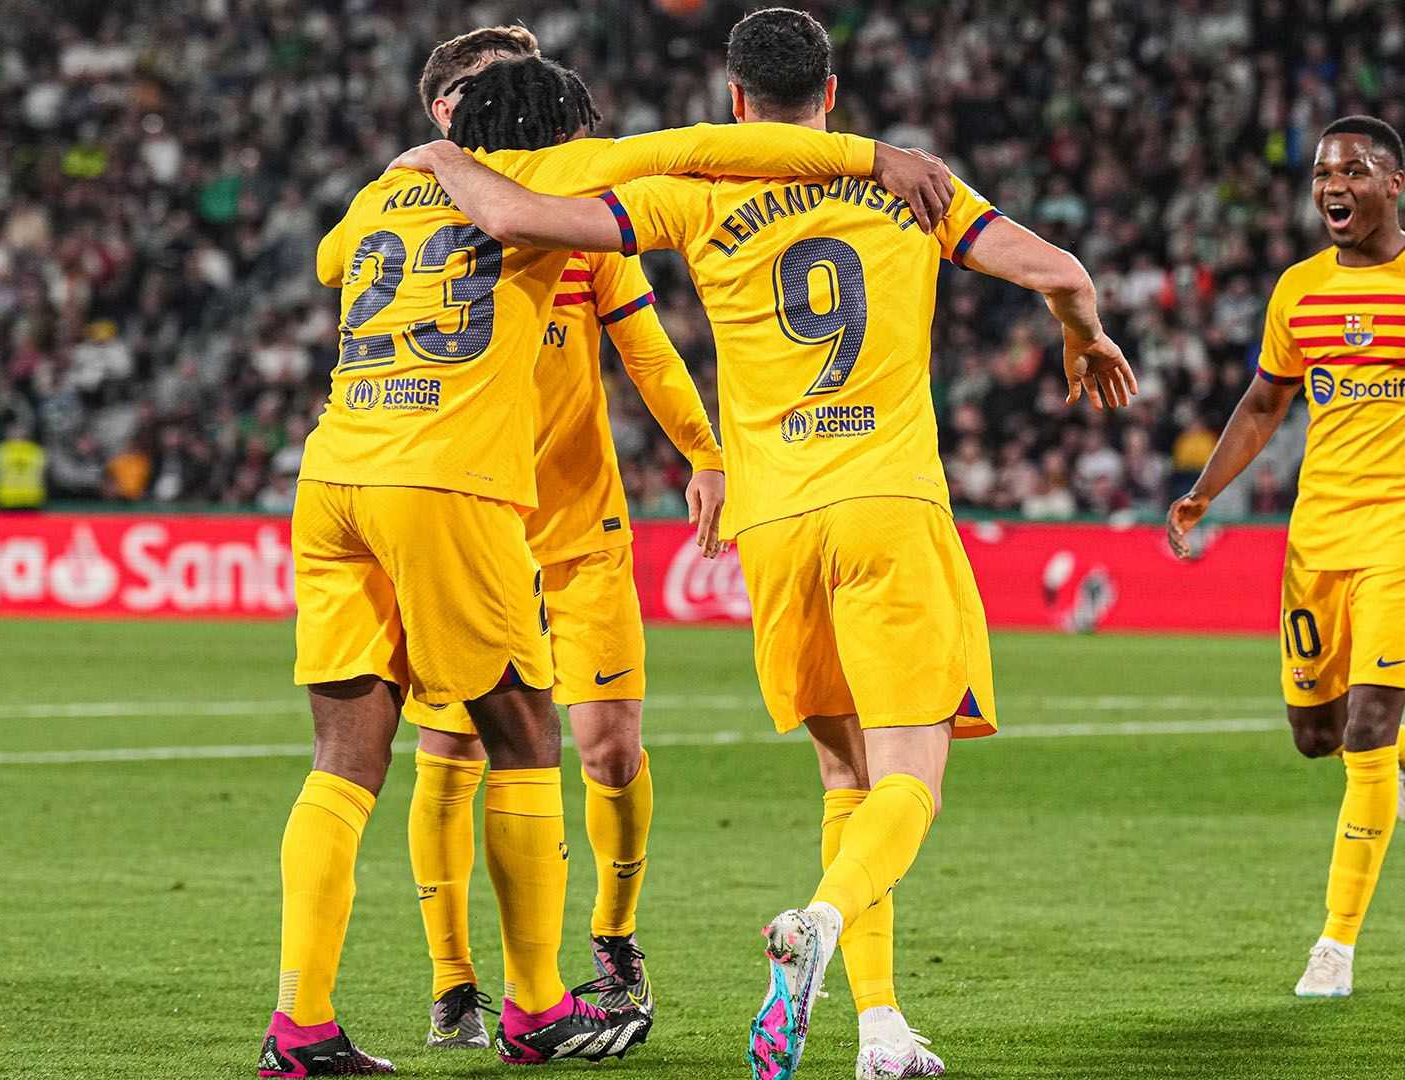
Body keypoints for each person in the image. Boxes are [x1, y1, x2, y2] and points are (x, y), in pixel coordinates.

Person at [389, 10, 1136, 1078]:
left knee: (844, 776)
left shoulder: (693, 197)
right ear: (829, 95)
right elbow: (1060, 270)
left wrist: (438, 157)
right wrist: (1083, 333)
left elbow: (519, 209)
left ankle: (880, 1027)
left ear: (736, 101)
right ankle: (820, 920)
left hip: (777, 528)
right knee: (909, 781)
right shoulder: (918, 188)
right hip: (888, 507)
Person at [260, 52, 955, 1077]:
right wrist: (871, 157)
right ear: (554, 133)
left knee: (343, 760)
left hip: (332, 481)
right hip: (445, 484)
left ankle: (301, 1025)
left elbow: (329, 262)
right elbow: (710, 145)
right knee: (523, 735)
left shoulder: (382, 195)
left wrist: (429, 164)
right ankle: (535, 1004)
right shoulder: (546, 178)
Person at [397, 28, 728, 1053]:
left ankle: (614, 939)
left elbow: (648, 349)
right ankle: (454, 982)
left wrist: (706, 452)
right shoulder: (408, 224)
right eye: (477, 89)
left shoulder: (576, 224)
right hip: (471, 522)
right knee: (452, 747)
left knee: (610, 748)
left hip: (579, 526)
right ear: (444, 110)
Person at [1166, 115, 1405, 999]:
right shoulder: (1298, 291)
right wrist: (1205, 490)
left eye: (1355, 171)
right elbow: (1264, 403)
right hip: (1318, 535)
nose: (1334, 186)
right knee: (1317, 736)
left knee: (1364, 728)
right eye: (1323, 174)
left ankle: (1334, 945)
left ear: (1395, 184)